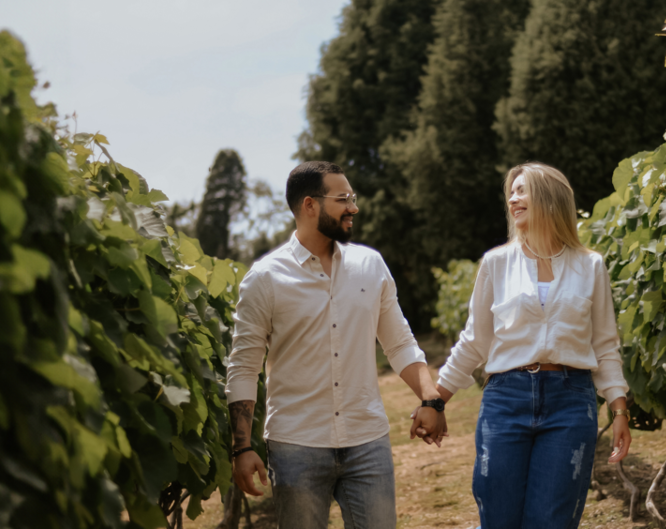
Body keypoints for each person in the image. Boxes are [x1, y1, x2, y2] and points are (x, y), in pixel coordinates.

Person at [225, 161, 447, 529]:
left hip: (367, 441)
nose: (353, 208)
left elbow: (400, 343)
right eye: (343, 199)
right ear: (310, 205)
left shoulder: (370, 265)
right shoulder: (264, 278)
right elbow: (244, 367)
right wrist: (242, 447)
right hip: (296, 446)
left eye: (353, 198)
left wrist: (431, 398)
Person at [433, 162, 631, 529]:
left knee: (551, 522)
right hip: (506, 399)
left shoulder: (590, 266)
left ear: (549, 198)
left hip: (571, 403)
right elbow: (475, 341)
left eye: (522, 190)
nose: (513, 198)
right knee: (498, 518)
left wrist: (619, 409)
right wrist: (435, 400)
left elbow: (604, 345)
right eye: (511, 192)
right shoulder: (496, 263)